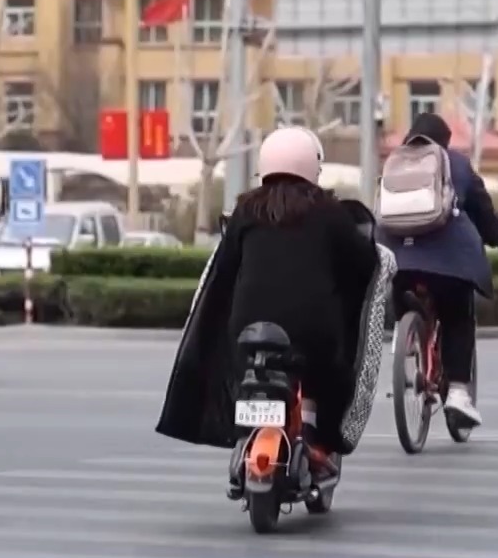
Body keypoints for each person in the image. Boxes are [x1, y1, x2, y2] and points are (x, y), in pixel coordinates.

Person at [155, 126, 387, 489]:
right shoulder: (329, 213)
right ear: (312, 166)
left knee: (248, 366)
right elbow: (363, 264)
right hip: (312, 331)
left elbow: (225, 269)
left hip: (247, 328)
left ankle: (247, 432)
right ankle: (316, 438)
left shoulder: (246, 211)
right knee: (329, 372)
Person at [384, 113, 498, 428]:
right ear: (445, 141)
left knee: (403, 292)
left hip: (398, 257)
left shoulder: (395, 162)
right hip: (449, 260)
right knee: (458, 317)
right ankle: (457, 393)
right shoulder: (456, 163)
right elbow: (482, 210)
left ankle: (406, 336)